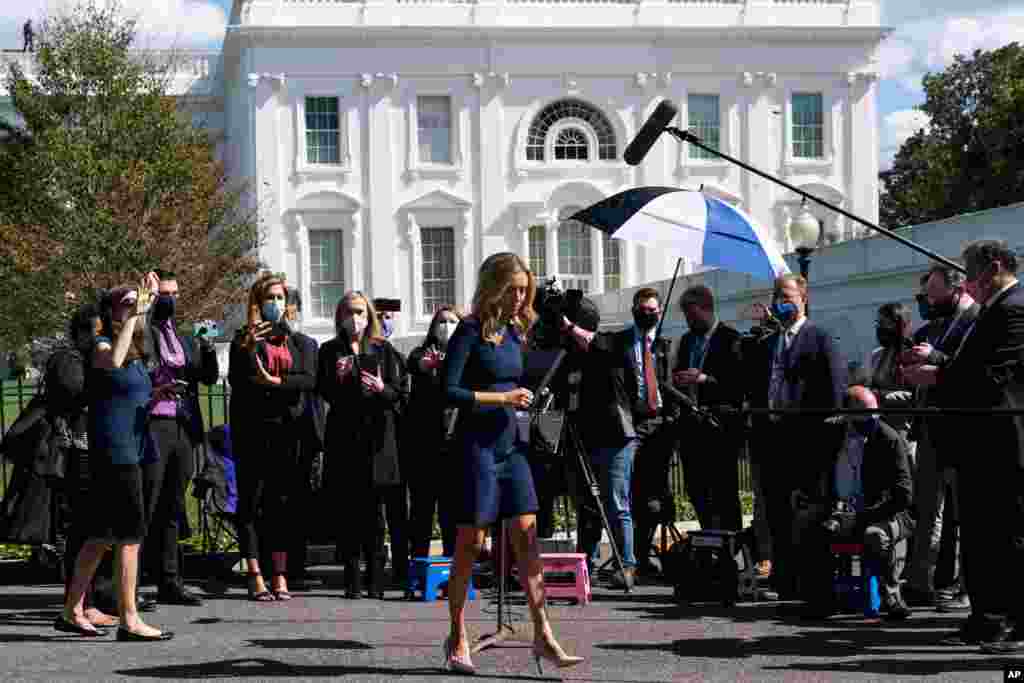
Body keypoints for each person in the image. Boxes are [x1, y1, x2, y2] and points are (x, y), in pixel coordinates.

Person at [443, 253, 582, 675]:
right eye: (513, 289)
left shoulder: (516, 332)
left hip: (513, 445)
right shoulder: (468, 331)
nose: (520, 297)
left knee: (528, 536)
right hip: (478, 447)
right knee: (469, 543)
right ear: (493, 287)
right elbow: (449, 391)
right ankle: (457, 634)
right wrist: (502, 398)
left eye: (525, 290)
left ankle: (543, 633)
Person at [904, 240, 1024, 652]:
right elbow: (968, 366)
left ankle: (1010, 619)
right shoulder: (991, 310)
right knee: (979, 532)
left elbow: (993, 376)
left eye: (970, 272)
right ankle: (985, 615)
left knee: (1003, 533)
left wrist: (936, 378)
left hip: (1003, 439)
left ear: (992, 268)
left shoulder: (1014, 307)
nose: (967, 282)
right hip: (976, 440)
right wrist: (938, 366)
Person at [60, 275, 174, 640]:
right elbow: (114, 361)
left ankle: (71, 609)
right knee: (130, 535)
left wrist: (158, 394)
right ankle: (130, 619)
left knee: (101, 535)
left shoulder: (138, 351)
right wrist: (134, 315)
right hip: (114, 452)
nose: (135, 307)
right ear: (110, 312)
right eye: (126, 303)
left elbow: (125, 395)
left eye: (136, 302)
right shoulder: (102, 344)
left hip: (132, 448)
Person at [564, 287, 677, 588]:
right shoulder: (618, 341)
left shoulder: (665, 345)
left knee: (642, 500)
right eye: (643, 308)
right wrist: (567, 325)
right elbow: (592, 342)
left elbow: (670, 385)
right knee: (608, 498)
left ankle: (632, 560)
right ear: (633, 309)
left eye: (653, 309)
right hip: (624, 423)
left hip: (656, 425)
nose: (648, 313)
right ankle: (601, 562)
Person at [744, 274, 847, 598]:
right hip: (772, 440)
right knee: (777, 512)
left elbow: (835, 391)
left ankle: (810, 581)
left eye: (786, 295)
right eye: (776, 295)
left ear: (803, 298)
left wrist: (827, 440)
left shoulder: (821, 338)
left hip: (807, 442)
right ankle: (783, 578)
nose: (780, 302)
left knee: (808, 514)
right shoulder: (767, 343)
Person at [229, 272, 317, 602]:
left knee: (281, 504)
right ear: (257, 303)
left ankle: (280, 573)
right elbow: (241, 380)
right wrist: (251, 347)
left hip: (288, 432)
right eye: (269, 298)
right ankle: (255, 572)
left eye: (280, 298)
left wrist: (278, 383)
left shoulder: (301, 342)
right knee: (251, 502)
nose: (276, 304)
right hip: (253, 431)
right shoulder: (244, 339)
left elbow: (308, 379)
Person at [794, 385, 915, 620]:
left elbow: (904, 496)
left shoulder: (889, 437)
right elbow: (811, 468)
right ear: (847, 414)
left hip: (883, 512)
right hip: (839, 508)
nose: (873, 419)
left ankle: (891, 595)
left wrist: (864, 515)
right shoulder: (830, 431)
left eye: (874, 412)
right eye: (865, 414)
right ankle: (820, 598)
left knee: (874, 535)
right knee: (806, 522)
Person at [318, 291, 408, 598]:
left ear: (368, 316)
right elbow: (324, 391)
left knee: (375, 512)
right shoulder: (329, 350)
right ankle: (352, 578)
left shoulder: (383, 349)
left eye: (359, 312)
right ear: (340, 317)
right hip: (345, 436)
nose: (354, 318)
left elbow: (398, 393)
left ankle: (377, 579)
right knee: (349, 512)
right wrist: (339, 377)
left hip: (378, 437)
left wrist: (382, 387)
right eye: (348, 312)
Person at [902, 266, 978, 612]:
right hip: (931, 428)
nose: (929, 301)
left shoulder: (975, 318)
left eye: (933, 294)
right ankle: (923, 582)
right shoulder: (936, 324)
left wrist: (932, 362)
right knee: (928, 510)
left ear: (957, 288)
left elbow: (968, 370)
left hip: (963, 431)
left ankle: (968, 586)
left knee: (967, 515)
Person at [141, 269, 219, 606]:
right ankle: (127, 583)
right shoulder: (143, 332)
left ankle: (170, 580)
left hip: (183, 427)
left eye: (174, 294)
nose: (170, 299)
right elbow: (139, 368)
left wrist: (208, 347)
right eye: (164, 294)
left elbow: (208, 377)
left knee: (174, 504)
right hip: (153, 425)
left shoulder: (184, 338)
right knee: (148, 502)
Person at [51, 303, 118, 627]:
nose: (100, 340)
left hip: (98, 450)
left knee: (100, 529)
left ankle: (95, 599)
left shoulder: (93, 361)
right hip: (75, 452)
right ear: (79, 334)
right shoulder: (68, 360)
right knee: (80, 531)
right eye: (95, 332)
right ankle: (77, 602)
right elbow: (77, 391)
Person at [672, 285, 745, 533]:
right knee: (696, 489)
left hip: (720, 427)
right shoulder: (685, 341)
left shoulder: (731, 339)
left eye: (693, 316)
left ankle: (731, 545)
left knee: (723, 490)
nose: (689, 322)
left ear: (707, 308)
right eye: (686, 317)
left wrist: (703, 379)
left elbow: (737, 386)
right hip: (691, 427)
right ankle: (708, 538)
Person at [405, 305, 462, 559]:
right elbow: (415, 363)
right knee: (421, 511)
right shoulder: (421, 352)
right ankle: (417, 563)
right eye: (442, 321)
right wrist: (428, 365)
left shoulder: (464, 356)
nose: (446, 327)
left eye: (452, 321)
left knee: (451, 511)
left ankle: (454, 565)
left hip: (453, 443)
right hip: (423, 444)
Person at [865, 303, 917, 461]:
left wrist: (884, 396)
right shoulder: (876, 355)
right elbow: (866, 388)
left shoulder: (913, 355)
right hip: (878, 431)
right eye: (877, 323)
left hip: (903, 434)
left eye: (884, 323)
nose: (879, 328)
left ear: (899, 324)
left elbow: (915, 395)